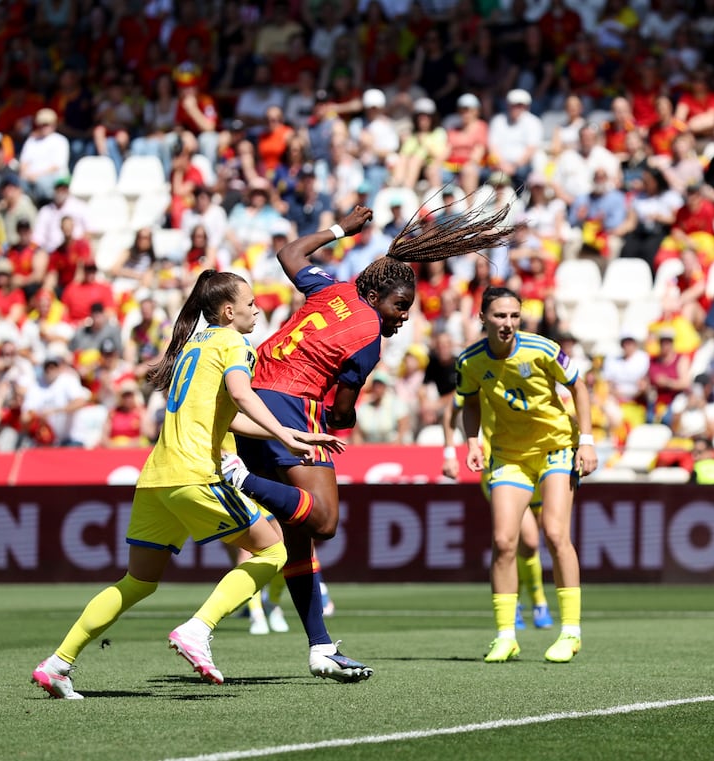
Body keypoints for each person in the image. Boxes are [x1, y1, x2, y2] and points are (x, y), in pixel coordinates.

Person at [230, 201, 512, 682]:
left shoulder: (331, 289)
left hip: (250, 399)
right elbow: (341, 413)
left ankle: (320, 646)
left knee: (297, 542)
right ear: (380, 294)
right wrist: (343, 417)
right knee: (324, 521)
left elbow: (289, 253)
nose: (402, 317)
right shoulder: (368, 339)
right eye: (400, 306)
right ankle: (236, 478)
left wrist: (341, 229)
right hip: (290, 405)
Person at [31, 270, 340, 699]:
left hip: (156, 478)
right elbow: (243, 395)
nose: (258, 309)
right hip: (196, 473)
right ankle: (198, 629)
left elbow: (226, 414)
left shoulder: (193, 345)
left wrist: (281, 434)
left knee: (137, 581)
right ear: (229, 311)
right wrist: (289, 434)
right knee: (273, 550)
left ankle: (58, 663)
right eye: (250, 303)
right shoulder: (235, 343)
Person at [457, 287, 597, 663]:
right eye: (500, 316)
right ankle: (506, 636)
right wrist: (471, 441)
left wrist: (586, 441)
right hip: (509, 455)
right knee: (504, 541)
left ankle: (571, 632)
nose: (508, 323)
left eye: (514, 316)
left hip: (556, 447)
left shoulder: (543, 349)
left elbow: (579, 386)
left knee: (554, 533)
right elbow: (469, 402)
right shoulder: (469, 361)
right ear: (482, 317)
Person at [442, 395, 554, 631]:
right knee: (524, 540)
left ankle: (530, 602)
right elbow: (451, 410)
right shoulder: (482, 368)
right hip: (503, 469)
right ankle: (530, 602)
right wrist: (450, 453)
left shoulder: (536, 367)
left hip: (539, 463)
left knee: (528, 544)